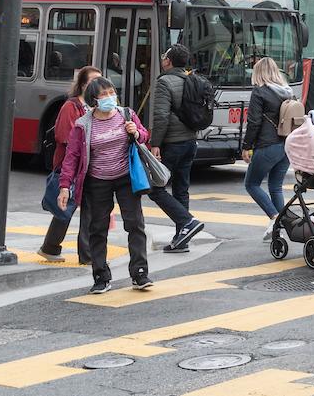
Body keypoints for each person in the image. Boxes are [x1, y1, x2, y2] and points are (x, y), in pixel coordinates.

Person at [58, 77, 153, 294]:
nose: (110, 97)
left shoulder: (126, 114)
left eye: (112, 92)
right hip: (97, 181)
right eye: (104, 94)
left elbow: (144, 136)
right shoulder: (83, 125)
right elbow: (71, 157)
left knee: (135, 224)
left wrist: (136, 133)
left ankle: (140, 273)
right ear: (94, 100)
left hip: (125, 178)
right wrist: (65, 186)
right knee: (97, 229)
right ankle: (100, 276)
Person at [38, 65, 101, 263]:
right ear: (82, 84)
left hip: (92, 165)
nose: (97, 86)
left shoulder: (96, 106)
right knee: (67, 206)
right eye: (93, 81)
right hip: (73, 165)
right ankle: (54, 247)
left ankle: (56, 248)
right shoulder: (70, 106)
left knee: (83, 208)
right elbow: (64, 137)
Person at [149, 44, 206, 252]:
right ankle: (182, 239)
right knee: (181, 189)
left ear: (168, 61)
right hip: (191, 141)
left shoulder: (164, 82)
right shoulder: (193, 80)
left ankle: (188, 222)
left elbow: (161, 116)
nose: (163, 59)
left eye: (164, 56)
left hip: (171, 143)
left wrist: (155, 144)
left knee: (155, 189)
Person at [242, 57, 294, 237]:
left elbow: (254, 122)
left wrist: (246, 146)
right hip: (286, 145)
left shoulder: (259, 92)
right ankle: (283, 226)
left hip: (267, 145)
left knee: (251, 184)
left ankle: (274, 217)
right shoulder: (288, 92)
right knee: (276, 186)